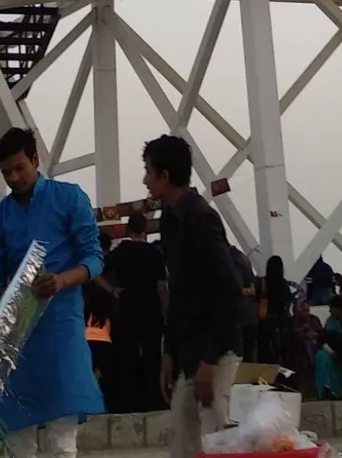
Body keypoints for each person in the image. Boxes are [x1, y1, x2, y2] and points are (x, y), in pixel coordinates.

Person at [0, 126, 104, 458]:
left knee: (61, 441)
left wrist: (62, 281)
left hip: (61, 328)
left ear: (36, 160)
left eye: (19, 168)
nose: (14, 178)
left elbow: (94, 258)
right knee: (17, 441)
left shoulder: (70, 198)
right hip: (17, 338)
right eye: (7, 173)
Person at [143, 134, 242, 458]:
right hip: (187, 351)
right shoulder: (171, 222)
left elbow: (228, 290)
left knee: (215, 443)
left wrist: (210, 361)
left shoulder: (199, 218)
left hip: (212, 351)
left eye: (148, 171)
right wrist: (169, 352)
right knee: (183, 444)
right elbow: (179, 293)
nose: (145, 180)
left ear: (164, 175)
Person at [104, 211, 168, 412]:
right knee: (152, 359)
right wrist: (166, 313)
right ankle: (154, 401)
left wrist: (112, 290)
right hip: (151, 313)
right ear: (145, 230)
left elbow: (96, 270)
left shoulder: (121, 250)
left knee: (125, 359)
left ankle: (125, 404)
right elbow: (161, 289)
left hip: (126, 311)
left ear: (129, 228)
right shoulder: (155, 253)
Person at [257, 255, 293, 365]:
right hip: (282, 324)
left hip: (266, 323)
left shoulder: (263, 282)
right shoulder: (284, 284)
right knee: (282, 353)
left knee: (266, 355)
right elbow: (288, 300)